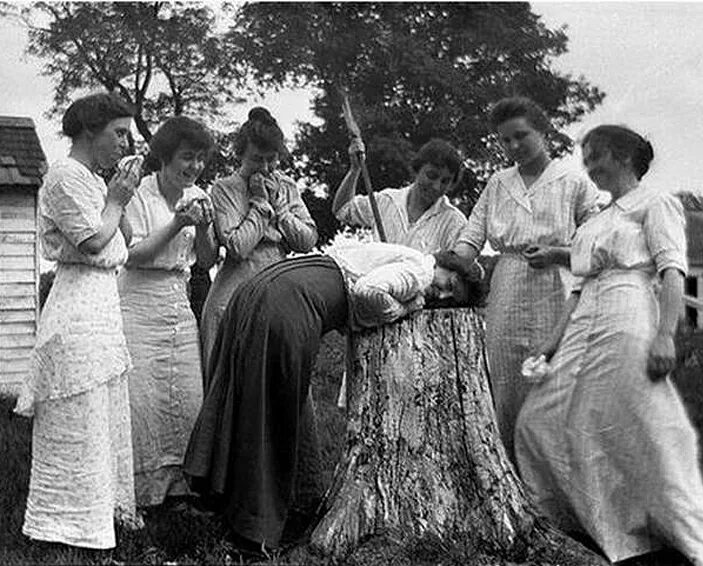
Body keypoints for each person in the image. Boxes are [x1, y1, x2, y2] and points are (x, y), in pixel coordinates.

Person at [184, 242, 488, 552]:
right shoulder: (418, 270)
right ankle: (254, 529)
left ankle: (223, 500)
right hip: (289, 303)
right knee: (275, 410)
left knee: (247, 392)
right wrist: (408, 307)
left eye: (451, 299)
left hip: (262, 288)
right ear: (444, 265)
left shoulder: (405, 256)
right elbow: (369, 292)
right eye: (449, 284)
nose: (443, 294)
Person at [515, 125, 703, 565]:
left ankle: (679, 538)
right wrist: (551, 346)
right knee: (538, 421)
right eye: (585, 159)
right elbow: (576, 289)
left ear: (624, 156)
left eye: (595, 156)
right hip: (585, 315)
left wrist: (666, 334)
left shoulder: (655, 204)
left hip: (627, 312)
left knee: (635, 424)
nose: (589, 167)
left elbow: (671, 272)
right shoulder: (595, 220)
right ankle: (588, 524)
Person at [14, 92, 142, 549]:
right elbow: (92, 241)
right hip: (76, 311)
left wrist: (119, 196)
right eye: (119, 133)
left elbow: (123, 240)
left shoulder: (91, 178)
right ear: (90, 130)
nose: (125, 143)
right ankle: (65, 525)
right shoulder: (65, 176)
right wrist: (115, 199)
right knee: (77, 416)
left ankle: (97, 516)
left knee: (100, 417)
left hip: (101, 308)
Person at [452, 96, 601, 459]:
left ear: (543, 130)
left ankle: (557, 486)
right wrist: (446, 266)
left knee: (555, 381)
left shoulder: (574, 183)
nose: (514, 146)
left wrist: (558, 254)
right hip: (508, 286)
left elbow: (598, 247)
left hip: (558, 287)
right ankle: (514, 479)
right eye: (505, 140)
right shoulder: (498, 183)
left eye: (521, 136)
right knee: (507, 383)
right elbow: (472, 236)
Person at [117, 116, 218, 508]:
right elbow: (133, 256)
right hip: (139, 304)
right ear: (165, 156)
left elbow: (205, 261)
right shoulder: (138, 196)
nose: (193, 167)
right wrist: (178, 222)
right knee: (143, 400)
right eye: (186, 157)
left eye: (200, 159)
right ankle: (142, 494)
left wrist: (205, 229)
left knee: (187, 397)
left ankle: (181, 489)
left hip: (178, 304)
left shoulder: (199, 194)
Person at [200, 107, 318, 372]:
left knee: (277, 380)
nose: (264, 168)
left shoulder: (286, 187)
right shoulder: (224, 189)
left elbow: (307, 240)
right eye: (256, 159)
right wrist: (261, 205)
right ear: (240, 154)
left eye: (271, 159)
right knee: (231, 382)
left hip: (276, 292)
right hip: (233, 297)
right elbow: (238, 247)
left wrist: (281, 207)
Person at [333, 138, 468, 253]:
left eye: (445, 181)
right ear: (417, 170)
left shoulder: (455, 222)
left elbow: (460, 270)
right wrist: (355, 169)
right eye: (431, 175)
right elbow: (342, 209)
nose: (436, 186)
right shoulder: (385, 200)